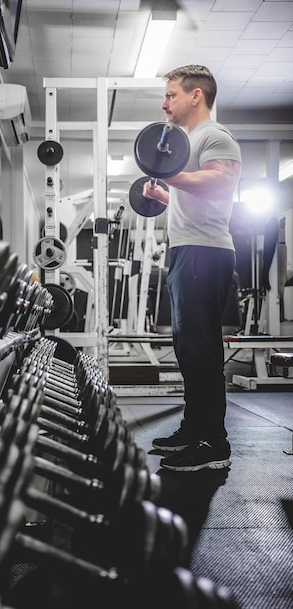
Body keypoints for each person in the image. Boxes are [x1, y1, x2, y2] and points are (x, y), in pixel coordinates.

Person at [143, 65, 242, 471]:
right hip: (189, 249)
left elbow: (221, 184)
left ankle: (213, 443)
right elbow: (198, 199)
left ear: (195, 95)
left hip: (205, 252)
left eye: (171, 94)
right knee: (188, 349)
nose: (164, 103)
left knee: (201, 351)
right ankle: (193, 427)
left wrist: (172, 175)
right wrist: (165, 196)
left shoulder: (215, 136)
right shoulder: (190, 140)